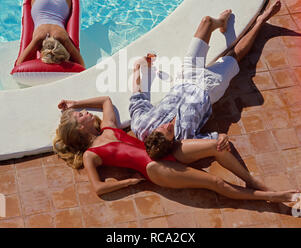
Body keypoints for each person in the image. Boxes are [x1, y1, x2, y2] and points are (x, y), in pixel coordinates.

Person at [53, 95, 301, 204]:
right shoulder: (90, 155)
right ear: (79, 129)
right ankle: (275, 197)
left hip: (161, 149)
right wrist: (131, 181)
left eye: (80, 112)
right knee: (216, 183)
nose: (84, 113)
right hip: (155, 168)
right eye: (79, 115)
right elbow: (98, 188)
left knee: (217, 146)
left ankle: (252, 181)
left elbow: (105, 100)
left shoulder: (108, 128)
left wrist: (76, 101)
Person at [129, 1, 282, 159]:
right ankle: (262, 21)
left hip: (186, 76)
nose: (168, 125)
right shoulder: (185, 140)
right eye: (169, 131)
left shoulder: (142, 126)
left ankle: (220, 22)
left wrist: (137, 68)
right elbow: (214, 140)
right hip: (209, 88)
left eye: (161, 127)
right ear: (172, 142)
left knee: (207, 22)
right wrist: (222, 138)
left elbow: (136, 99)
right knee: (234, 56)